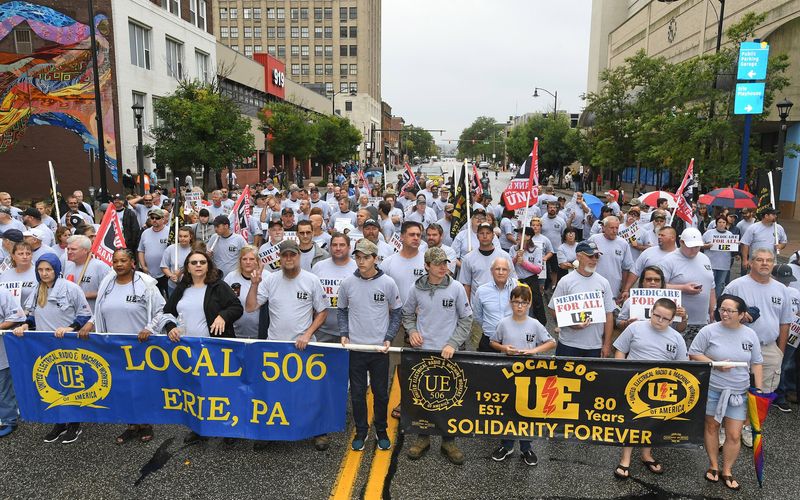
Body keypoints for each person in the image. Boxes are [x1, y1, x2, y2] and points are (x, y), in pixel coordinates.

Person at [78, 248, 165, 444]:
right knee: (122, 388)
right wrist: (90, 323)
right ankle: (131, 425)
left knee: (140, 387)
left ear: (132, 262)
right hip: (113, 348)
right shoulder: (107, 283)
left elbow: (162, 310)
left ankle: (146, 424)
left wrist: (150, 328)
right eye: (115, 261)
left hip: (140, 347)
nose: (119, 264)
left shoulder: (147, 284)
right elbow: (99, 309)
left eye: (123, 260)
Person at [161, 249, 243, 443]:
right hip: (189, 350)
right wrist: (170, 327)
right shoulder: (182, 288)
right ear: (187, 267)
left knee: (220, 389)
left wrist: (223, 316)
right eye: (194, 262)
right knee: (196, 389)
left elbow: (236, 307)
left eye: (202, 262)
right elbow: (167, 312)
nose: (198, 265)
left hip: (215, 349)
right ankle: (199, 428)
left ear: (208, 266)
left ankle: (228, 429)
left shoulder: (218, 286)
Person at [402, 247, 473, 464]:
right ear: (427, 266)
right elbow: (406, 313)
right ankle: (422, 437)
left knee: (449, 398)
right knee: (423, 397)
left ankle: (448, 441)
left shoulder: (457, 288)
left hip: (449, 354)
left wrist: (453, 343)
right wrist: (412, 331)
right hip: (423, 353)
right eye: (438, 264)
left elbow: (466, 319)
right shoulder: (416, 289)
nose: (444, 267)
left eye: (446, 263)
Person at [12, 254, 91, 444]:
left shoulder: (71, 288)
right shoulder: (38, 289)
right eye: (40, 270)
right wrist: (25, 325)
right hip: (45, 345)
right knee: (52, 382)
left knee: (70, 382)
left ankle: (74, 423)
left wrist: (70, 328)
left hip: (67, 344)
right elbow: (33, 314)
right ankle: (59, 422)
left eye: (48, 269)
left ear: (56, 269)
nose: (44, 273)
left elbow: (85, 314)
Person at [689, 294, 763, 492]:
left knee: (733, 434)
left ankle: (727, 470)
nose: (725, 313)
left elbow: (756, 363)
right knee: (712, 427)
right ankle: (713, 465)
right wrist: (715, 364)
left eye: (730, 311)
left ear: (741, 314)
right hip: (714, 388)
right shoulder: (708, 331)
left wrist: (758, 392)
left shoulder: (750, 335)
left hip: (739, 392)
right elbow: (694, 352)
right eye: (722, 309)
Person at [338, 239, 402, 452]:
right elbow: (342, 310)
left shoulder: (388, 283)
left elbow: (397, 312)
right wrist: (344, 333)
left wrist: (389, 337)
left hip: (378, 350)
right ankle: (361, 431)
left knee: (381, 393)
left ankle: (381, 430)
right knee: (356, 393)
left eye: (366, 257)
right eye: (358, 257)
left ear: (375, 258)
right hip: (356, 349)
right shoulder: (347, 283)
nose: (361, 261)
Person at [612, 298, 687, 479]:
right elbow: (620, 350)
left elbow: (683, 366)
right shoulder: (635, 328)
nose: (659, 320)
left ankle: (646, 455)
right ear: (651, 312)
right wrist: (619, 372)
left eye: (665, 318)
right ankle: (625, 460)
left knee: (653, 423)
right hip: (632, 383)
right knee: (631, 421)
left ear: (671, 320)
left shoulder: (677, 338)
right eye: (656, 315)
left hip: (660, 387)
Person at [487, 284, 554, 465]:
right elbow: (493, 341)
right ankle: (507, 445)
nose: (519, 306)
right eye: (516, 302)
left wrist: (535, 351)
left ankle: (526, 447)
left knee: (526, 411)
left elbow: (551, 343)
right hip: (508, 373)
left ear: (529, 304)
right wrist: (503, 348)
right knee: (508, 409)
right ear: (510, 303)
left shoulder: (534, 324)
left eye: (523, 303)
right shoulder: (503, 323)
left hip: (529, 375)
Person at [722, 248, 791, 415]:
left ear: (773, 264)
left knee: (762, 394)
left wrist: (780, 352)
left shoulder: (782, 290)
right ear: (751, 263)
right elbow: (720, 316)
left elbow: (784, 323)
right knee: (732, 391)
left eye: (769, 260)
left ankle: (750, 427)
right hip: (737, 348)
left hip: (768, 349)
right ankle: (727, 427)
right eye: (760, 260)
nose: (765, 263)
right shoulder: (735, 286)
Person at [246, 240, 328, 347]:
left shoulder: (312, 280)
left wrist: (308, 334)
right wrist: (254, 285)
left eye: (292, 255)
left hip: (302, 345)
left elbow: (323, 311)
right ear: (280, 257)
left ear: (299, 255)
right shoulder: (270, 279)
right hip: (275, 344)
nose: (288, 259)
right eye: (285, 255)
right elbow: (250, 308)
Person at [548, 241, 615, 357]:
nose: (594, 259)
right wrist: (571, 324)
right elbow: (553, 309)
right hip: (568, 344)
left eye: (597, 256)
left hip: (594, 345)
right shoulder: (566, 281)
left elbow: (609, 314)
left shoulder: (604, 283)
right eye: (590, 256)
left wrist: (607, 344)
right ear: (578, 256)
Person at [661, 228, 716, 344]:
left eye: (697, 247)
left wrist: (712, 309)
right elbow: (657, 287)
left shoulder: (704, 258)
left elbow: (711, 287)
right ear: (681, 242)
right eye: (690, 247)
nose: (694, 250)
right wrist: (683, 288)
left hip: (702, 321)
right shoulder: (668, 260)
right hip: (677, 322)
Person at [617, 266, 688, 333]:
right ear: (642, 282)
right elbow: (618, 322)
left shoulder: (672, 302)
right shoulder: (631, 301)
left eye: (657, 280)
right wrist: (626, 324)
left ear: (662, 283)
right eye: (649, 279)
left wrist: (683, 318)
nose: (653, 282)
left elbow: (679, 329)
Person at [460, 223, 514, 300]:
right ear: (477, 236)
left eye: (488, 233)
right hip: (477, 305)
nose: (485, 236)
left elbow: (512, 281)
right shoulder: (468, 258)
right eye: (482, 233)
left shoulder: (504, 256)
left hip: (500, 304)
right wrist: (467, 310)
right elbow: (466, 285)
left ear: (493, 235)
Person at [0, 286, 26, 437]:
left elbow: (17, 317)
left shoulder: (2, 293)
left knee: (2, 388)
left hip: (1, 350)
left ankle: (9, 420)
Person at [589, 216, 633, 302]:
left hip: (614, 287)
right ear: (603, 228)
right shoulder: (594, 239)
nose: (615, 231)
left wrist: (623, 289)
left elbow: (626, 268)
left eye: (617, 228)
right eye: (611, 228)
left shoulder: (623, 243)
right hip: (593, 285)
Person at [63, 235, 112, 312]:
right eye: (68, 249)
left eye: (73, 249)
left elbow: (110, 291)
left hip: (93, 315)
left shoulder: (100, 267)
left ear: (85, 250)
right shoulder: (68, 265)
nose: (69, 252)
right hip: (73, 315)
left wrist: (83, 295)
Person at [223, 246, 261, 339]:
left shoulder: (268, 277)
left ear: (257, 261)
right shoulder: (231, 277)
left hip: (261, 335)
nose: (248, 262)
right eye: (244, 259)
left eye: (251, 259)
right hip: (235, 334)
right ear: (240, 261)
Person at [137, 208, 171, 295]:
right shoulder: (145, 233)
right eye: (152, 218)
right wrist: (143, 266)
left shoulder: (169, 232)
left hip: (166, 273)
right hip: (150, 273)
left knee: (169, 297)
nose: (154, 220)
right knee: (153, 297)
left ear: (163, 219)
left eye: (157, 218)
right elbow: (141, 250)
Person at [703, 215, 735, 299]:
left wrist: (735, 244)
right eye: (719, 222)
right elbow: (700, 245)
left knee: (720, 284)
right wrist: (707, 246)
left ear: (726, 224)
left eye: (723, 222)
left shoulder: (730, 234)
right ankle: (707, 300)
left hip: (723, 264)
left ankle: (716, 302)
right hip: (710, 264)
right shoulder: (708, 233)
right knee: (709, 283)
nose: (721, 224)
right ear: (716, 223)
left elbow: (732, 249)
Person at [160, 226, 195, 297]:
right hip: (173, 287)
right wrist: (171, 275)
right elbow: (164, 266)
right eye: (180, 236)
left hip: (190, 287)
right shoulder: (170, 249)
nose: (182, 238)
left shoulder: (194, 250)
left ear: (190, 237)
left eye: (185, 236)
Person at [0, 241, 37, 307]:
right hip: (8, 315)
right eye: (21, 254)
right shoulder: (4, 275)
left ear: (32, 256)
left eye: (28, 254)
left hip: (30, 314)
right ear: (13, 256)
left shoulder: (38, 273)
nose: (25, 257)